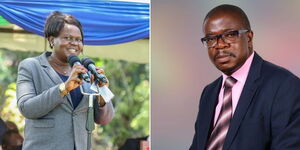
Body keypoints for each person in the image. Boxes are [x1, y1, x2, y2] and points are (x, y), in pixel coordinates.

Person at [190, 4, 300, 150]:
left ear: (248, 37)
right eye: (211, 39)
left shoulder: (284, 86)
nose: (220, 45)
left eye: (229, 35)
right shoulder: (209, 93)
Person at [16, 11, 114, 150]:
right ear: (51, 40)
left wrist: (102, 93)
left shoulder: (86, 73)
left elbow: (104, 119)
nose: (74, 43)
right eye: (67, 38)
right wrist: (64, 88)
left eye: (79, 40)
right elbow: (27, 108)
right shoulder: (31, 66)